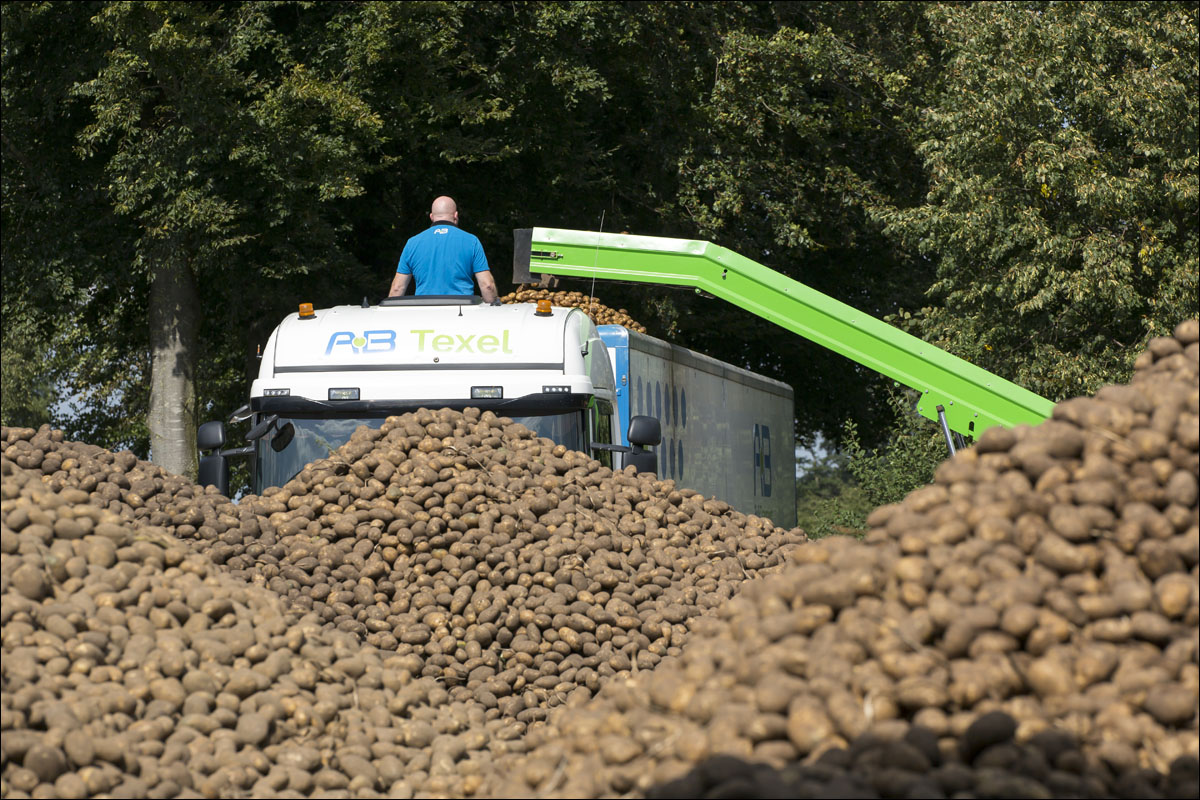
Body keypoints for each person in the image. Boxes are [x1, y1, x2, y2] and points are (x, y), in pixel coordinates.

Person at [389, 196, 500, 303]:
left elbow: (397, 288)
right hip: (462, 313)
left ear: (431, 217)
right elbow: (487, 286)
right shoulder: (472, 241)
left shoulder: (412, 243)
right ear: (455, 215)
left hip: (424, 314)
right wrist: (493, 305)